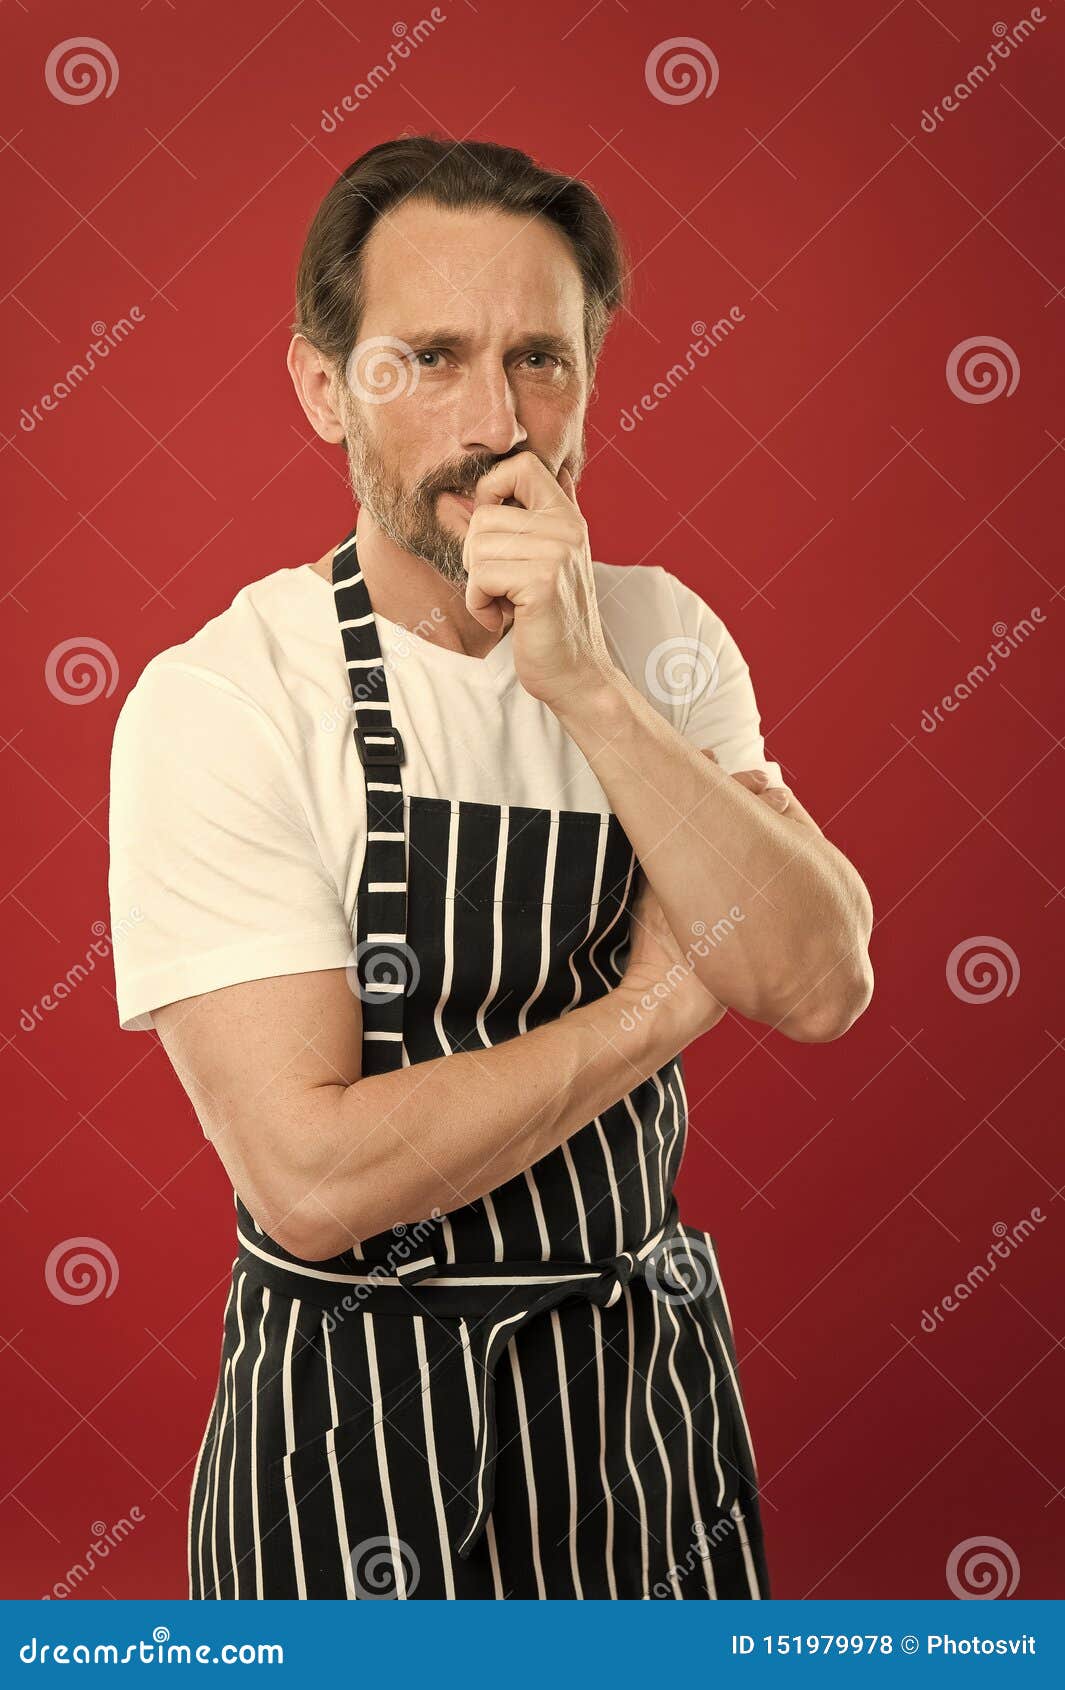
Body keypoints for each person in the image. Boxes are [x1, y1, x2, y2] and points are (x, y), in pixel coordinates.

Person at [107, 136, 874, 1601]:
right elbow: (315, 1178)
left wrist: (589, 686)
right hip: (351, 1432)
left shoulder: (658, 636)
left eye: (541, 358)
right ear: (323, 386)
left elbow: (815, 976)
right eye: (426, 360)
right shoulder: (228, 698)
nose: (493, 420)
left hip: (636, 1408)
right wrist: (651, 1012)